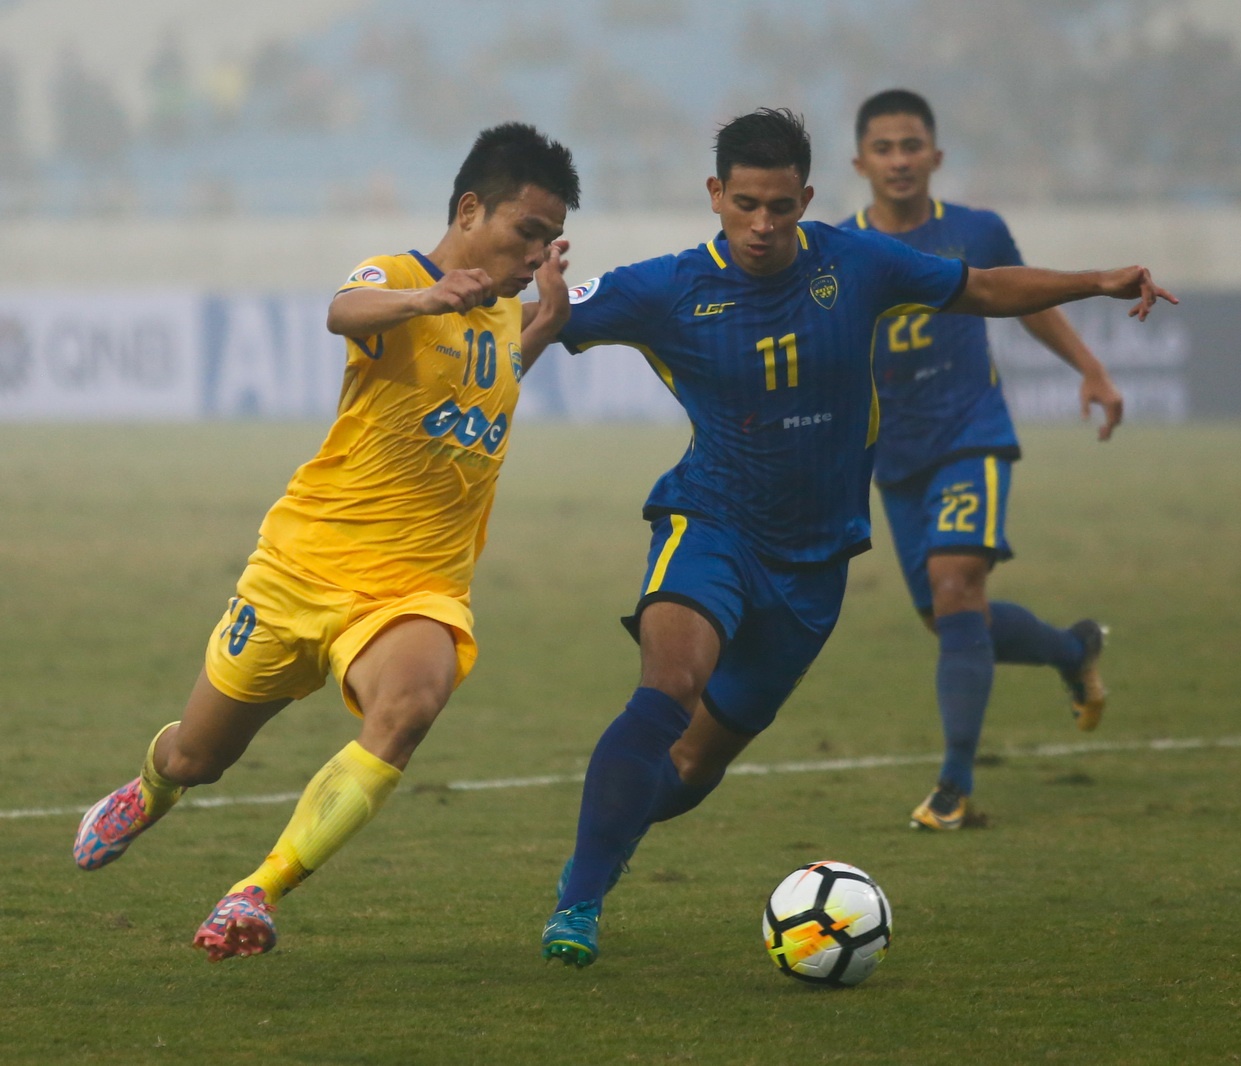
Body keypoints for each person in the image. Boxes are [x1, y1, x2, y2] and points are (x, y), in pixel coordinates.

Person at [529, 108, 1175, 968]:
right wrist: (474, 312)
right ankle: (579, 900)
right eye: (745, 205)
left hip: (815, 563)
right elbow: (533, 323)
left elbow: (982, 289)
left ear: (806, 198)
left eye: (780, 207)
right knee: (669, 686)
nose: (763, 225)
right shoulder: (664, 288)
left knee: (688, 770)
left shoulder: (857, 261)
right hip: (710, 524)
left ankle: (603, 843)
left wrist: (1095, 280)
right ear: (716, 195)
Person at [71, 122, 580, 961]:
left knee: (411, 705)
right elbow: (343, 311)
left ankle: (257, 891)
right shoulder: (401, 278)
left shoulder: (499, 315)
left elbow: (489, 375)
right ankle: (151, 789)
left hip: (411, 592)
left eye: (550, 240)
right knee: (198, 757)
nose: (535, 254)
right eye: (526, 231)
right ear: (469, 210)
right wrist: (426, 300)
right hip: (300, 571)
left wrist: (545, 325)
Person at [840, 88, 1122, 832]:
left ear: (935, 155)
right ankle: (1073, 650)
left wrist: (1090, 368)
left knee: (956, 585)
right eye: (883, 148)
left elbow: (1023, 300)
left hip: (971, 433)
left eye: (911, 146)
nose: (899, 160)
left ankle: (954, 787)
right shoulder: (838, 248)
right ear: (859, 163)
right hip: (894, 457)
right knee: (950, 617)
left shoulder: (976, 230)